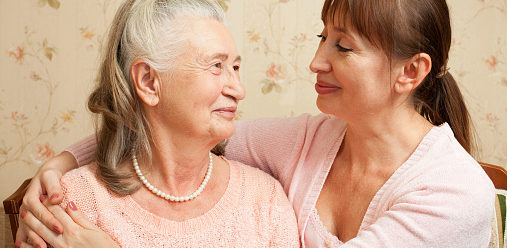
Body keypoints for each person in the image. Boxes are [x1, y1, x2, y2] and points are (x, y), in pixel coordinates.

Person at [17, 0, 495, 247]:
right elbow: (174, 129)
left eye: (342, 47)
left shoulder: (455, 195)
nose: (315, 61)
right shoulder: (309, 141)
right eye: (321, 38)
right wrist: (62, 164)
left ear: (410, 72)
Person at [14, 0, 300, 247]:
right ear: (149, 82)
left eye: (235, 67)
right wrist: (59, 163)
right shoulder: (75, 202)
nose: (238, 89)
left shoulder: (266, 202)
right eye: (216, 66)